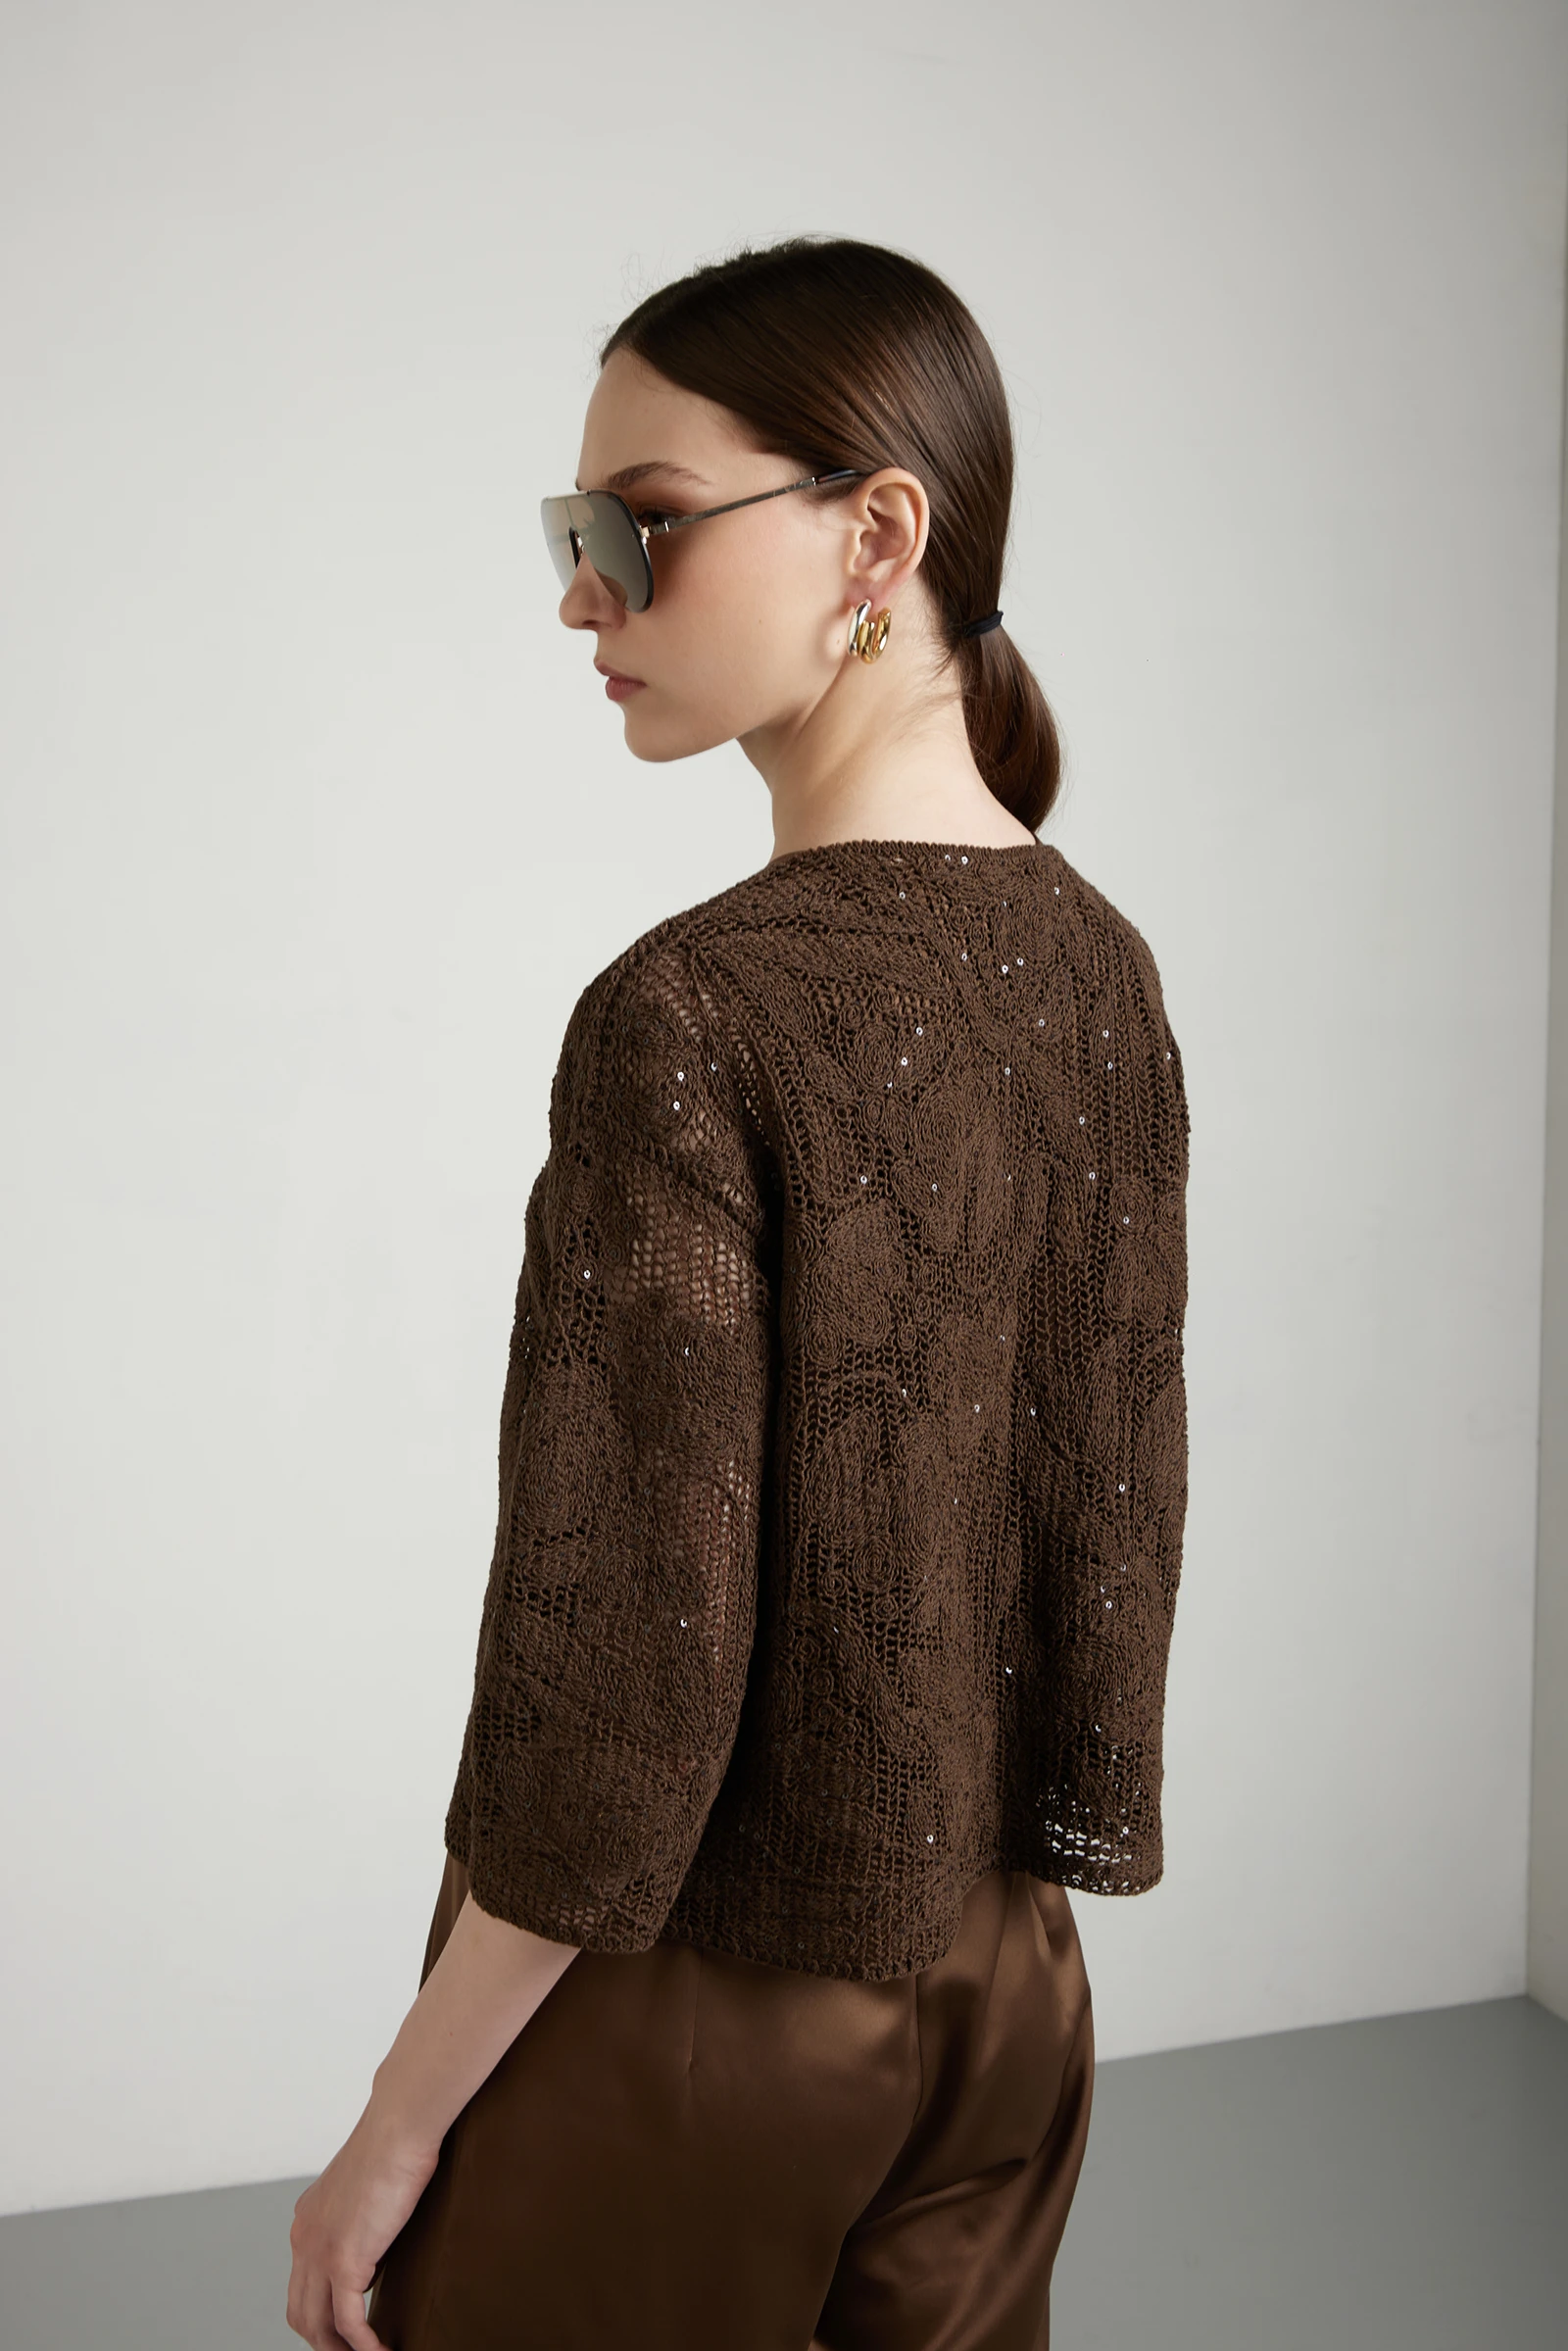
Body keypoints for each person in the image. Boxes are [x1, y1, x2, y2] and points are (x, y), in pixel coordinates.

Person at [287, 233, 1191, 2351]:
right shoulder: (1100, 971)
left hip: (687, 2019)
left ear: (878, 534)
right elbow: (1106, 1520)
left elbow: (626, 1689)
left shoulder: (688, 1015)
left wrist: (396, 2123)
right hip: (1006, 2000)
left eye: (641, 525)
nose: (581, 596)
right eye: (571, 532)